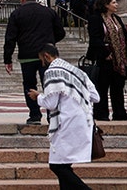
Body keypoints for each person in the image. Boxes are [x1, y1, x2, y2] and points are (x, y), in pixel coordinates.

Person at [28, 44, 98, 190]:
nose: (41, 63)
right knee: (63, 165)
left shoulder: (52, 72)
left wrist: (38, 96)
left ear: (47, 56)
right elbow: (95, 97)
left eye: (41, 59)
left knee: (57, 165)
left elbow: (51, 103)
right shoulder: (76, 71)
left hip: (66, 122)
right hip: (84, 120)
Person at [3, 0, 66, 124]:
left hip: (27, 54)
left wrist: (7, 58)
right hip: (47, 55)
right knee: (50, 85)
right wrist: (50, 42)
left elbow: (10, 38)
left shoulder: (17, 14)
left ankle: (35, 114)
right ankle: (52, 114)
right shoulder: (49, 12)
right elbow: (61, 32)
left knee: (29, 85)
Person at [86, 0, 127, 121]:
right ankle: (101, 113)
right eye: (113, 2)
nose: (116, 5)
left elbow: (121, 36)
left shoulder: (116, 18)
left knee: (118, 87)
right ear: (106, 5)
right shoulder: (96, 18)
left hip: (119, 58)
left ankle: (120, 113)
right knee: (102, 87)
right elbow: (95, 38)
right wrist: (106, 53)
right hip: (105, 57)